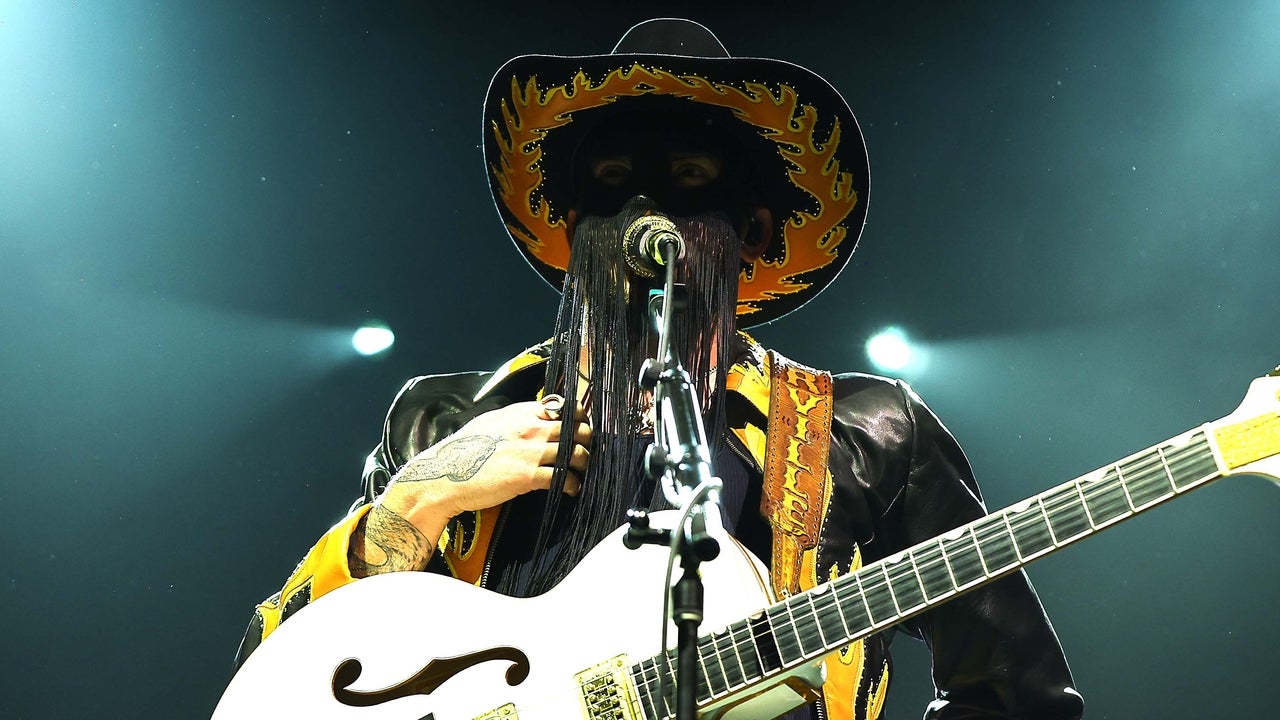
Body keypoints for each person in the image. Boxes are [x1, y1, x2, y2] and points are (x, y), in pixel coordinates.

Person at [232, 18, 1085, 720]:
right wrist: (419, 499)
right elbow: (276, 677)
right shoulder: (447, 418)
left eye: (686, 178)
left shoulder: (872, 434)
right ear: (572, 227)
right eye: (612, 182)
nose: (645, 209)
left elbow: (1021, 699)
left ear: (752, 232)